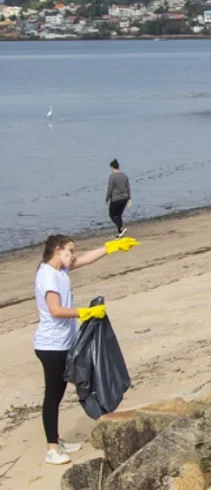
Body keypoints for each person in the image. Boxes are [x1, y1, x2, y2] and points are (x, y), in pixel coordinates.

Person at [34, 234, 139, 465]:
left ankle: (56, 440)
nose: (73, 256)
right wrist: (85, 313)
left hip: (63, 343)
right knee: (53, 395)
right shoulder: (49, 276)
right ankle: (52, 448)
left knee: (59, 393)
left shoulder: (59, 270)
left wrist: (111, 247)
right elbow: (55, 310)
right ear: (58, 250)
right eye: (70, 251)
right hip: (51, 346)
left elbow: (84, 260)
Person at [106, 159, 131, 239]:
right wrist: (129, 198)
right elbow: (128, 187)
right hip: (124, 198)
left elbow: (110, 189)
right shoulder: (124, 176)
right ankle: (120, 232)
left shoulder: (112, 177)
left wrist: (107, 198)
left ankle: (121, 228)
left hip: (116, 199)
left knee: (112, 215)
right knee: (119, 215)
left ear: (112, 167)